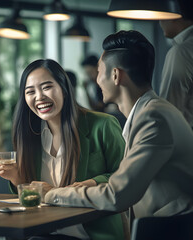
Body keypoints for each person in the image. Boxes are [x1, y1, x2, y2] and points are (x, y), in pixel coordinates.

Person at [44, 30, 193, 223]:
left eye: (99, 72)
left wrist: (53, 194)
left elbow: (117, 195)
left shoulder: (154, 118)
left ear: (115, 75)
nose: (97, 80)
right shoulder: (149, 112)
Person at [0, 59, 126, 239]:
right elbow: (35, 194)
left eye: (46, 87)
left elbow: (125, 180)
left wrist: (92, 182)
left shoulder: (102, 125)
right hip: (42, 230)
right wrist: (17, 179)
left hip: (89, 234)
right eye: (30, 92)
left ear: (64, 88)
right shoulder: (29, 136)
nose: (39, 96)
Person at [159, 0, 193, 129]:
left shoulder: (181, 51)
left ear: (173, 14)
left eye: (162, 16)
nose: (160, 22)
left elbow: (168, 108)